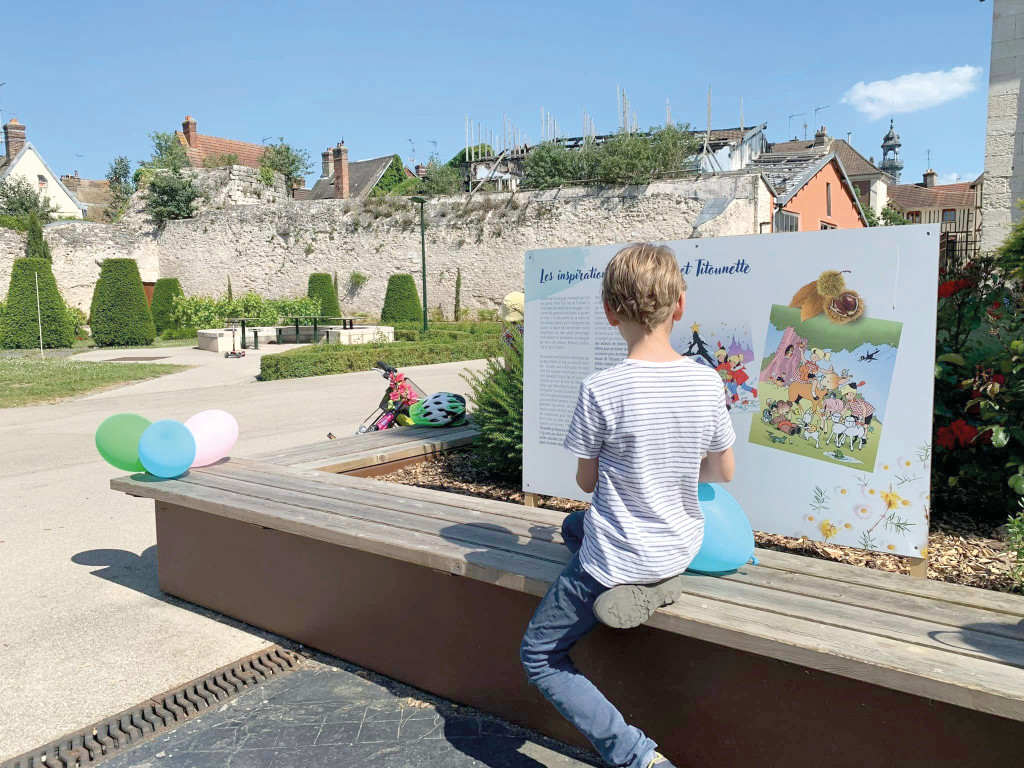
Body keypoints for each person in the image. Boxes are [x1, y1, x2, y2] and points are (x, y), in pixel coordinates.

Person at [520, 243, 736, 768]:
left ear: (609, 312)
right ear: (679, 305)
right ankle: (659, 583)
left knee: (540, 656)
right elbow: (722, 472)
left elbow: (587, 481)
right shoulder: (706, 381)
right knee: (572, 527)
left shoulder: (601, 388)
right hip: (679, 545)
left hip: (618, 557)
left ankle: (636, 756)